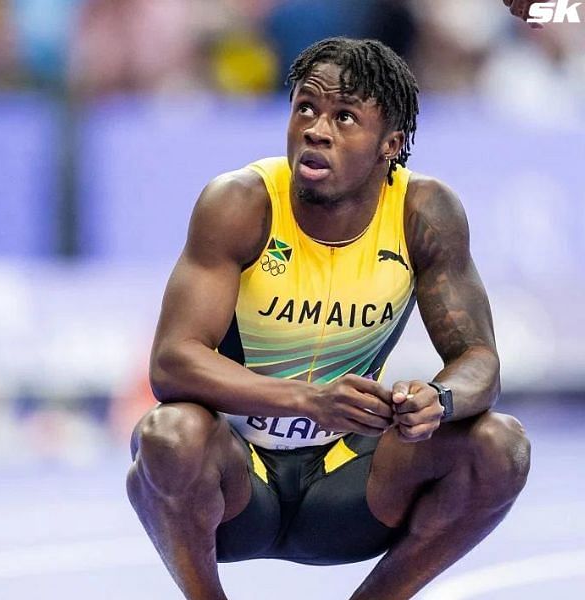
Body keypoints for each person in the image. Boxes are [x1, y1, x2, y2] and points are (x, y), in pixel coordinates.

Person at [129, 38, 530, 600]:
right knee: (167, 435)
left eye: (345, 117)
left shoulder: (425, 213)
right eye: (305, 109)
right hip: (236, 486)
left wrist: (437, 401)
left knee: (499, 444)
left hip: (349, 489)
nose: (317, 130)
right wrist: (306, 399)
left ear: (390, 144)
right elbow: (172, 363)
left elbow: (479, 361)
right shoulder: (241, 202)